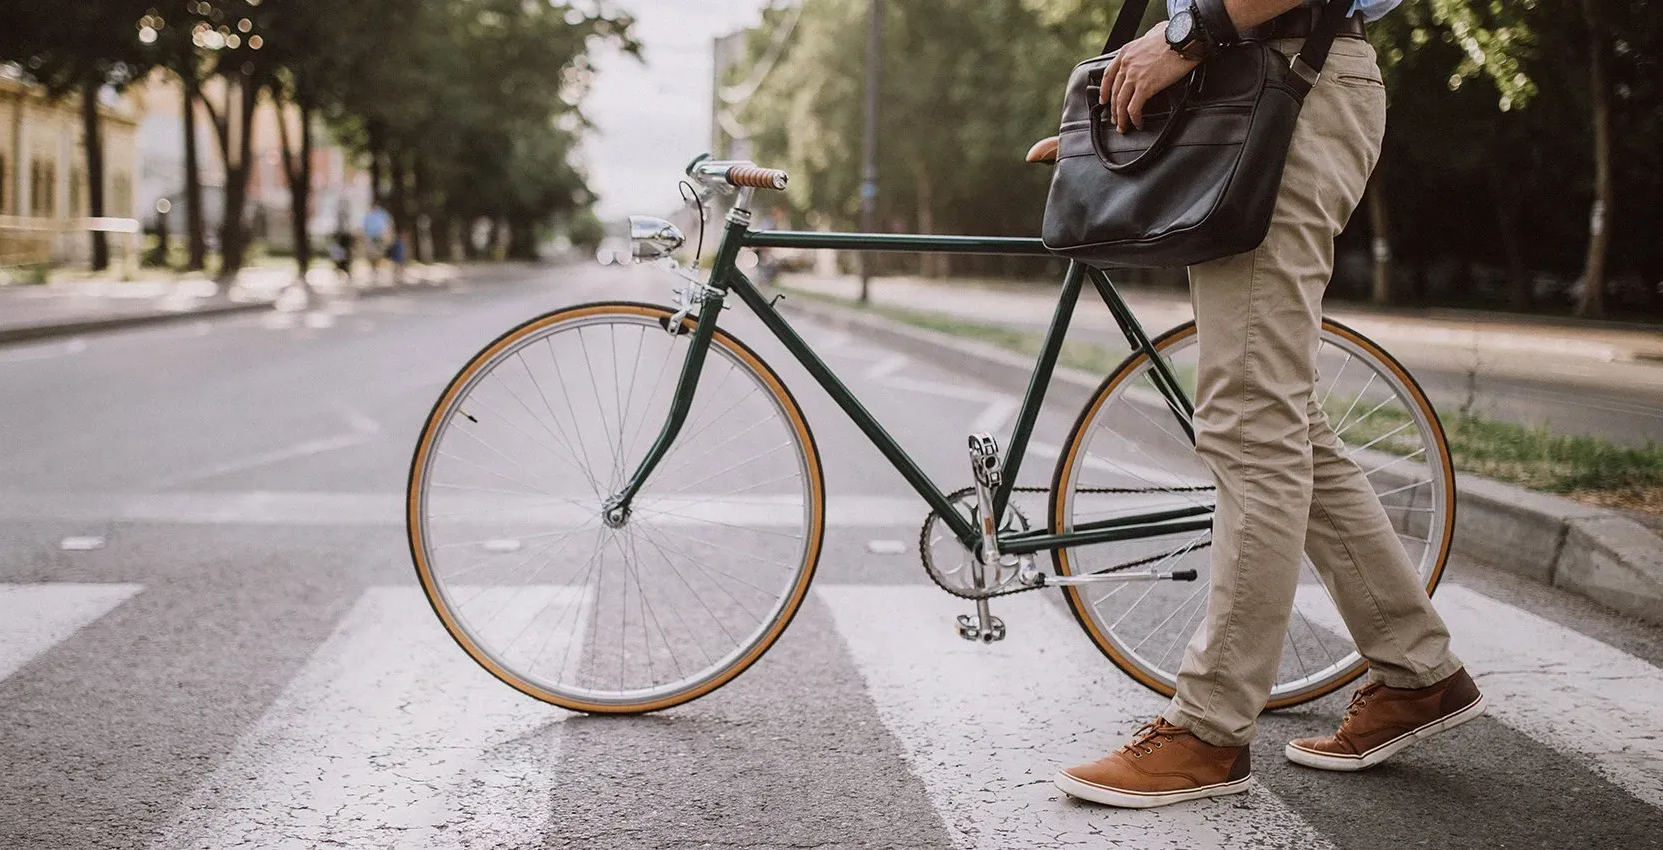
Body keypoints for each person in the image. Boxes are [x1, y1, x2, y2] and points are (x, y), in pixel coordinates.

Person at [1051, 0, 1484, 810]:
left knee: (1251, 421)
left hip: (1286, 79)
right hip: (1252, 81)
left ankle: (1208, 732)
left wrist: (1183, 37)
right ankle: (1416, 671)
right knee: (1282, 419)